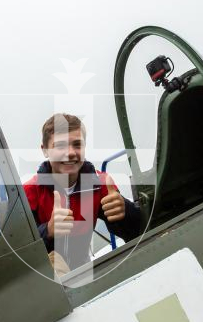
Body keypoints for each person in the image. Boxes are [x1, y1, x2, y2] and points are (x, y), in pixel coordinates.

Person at [23, 113, 141, 272]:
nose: (71, 152)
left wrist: (125, 210)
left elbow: (136, 232)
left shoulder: (100, 184)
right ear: (45, 150)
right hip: (44, 272)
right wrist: (47, 231)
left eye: (77, 145)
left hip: (83, 265)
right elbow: (18, 253)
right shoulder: (29, 192)